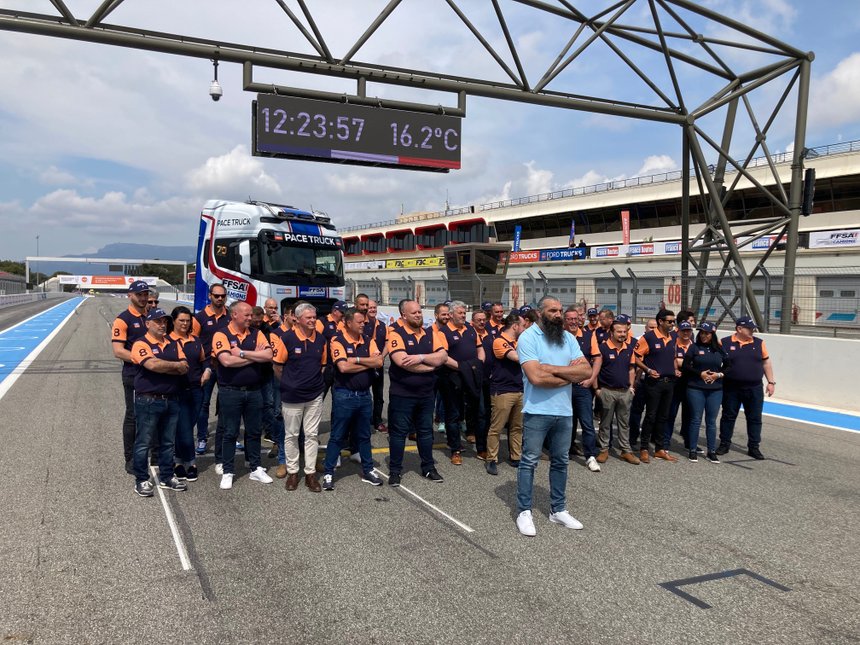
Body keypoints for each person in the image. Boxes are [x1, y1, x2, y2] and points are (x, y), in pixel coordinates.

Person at [515, 296, 592, 537]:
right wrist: (569, 376)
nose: (558, 315)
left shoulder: (568, 338)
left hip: (564, 411)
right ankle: (524, 511)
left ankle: (558, 509)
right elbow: (536, 378)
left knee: (561, 461)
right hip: (537, 410)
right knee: (529, 461)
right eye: (553, 311)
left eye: (560, 310)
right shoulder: (528, 338)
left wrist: (552, 369)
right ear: (540, 313)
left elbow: (586, 371)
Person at [211, 301, 274, 490]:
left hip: (254, 390)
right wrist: (254, 357)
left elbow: (268, 355)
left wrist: (242, 353)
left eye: (251, 315)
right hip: (230, 391)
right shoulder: (221, 334)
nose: (250, 318)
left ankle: (255, 467)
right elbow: (226, 361)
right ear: (234, 315)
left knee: (254, 431)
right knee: (230, 432)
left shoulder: (257, 333)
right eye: (246, 315)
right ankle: (228, 471)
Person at [386, 299, 449, 486]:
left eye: (419, 311)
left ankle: (428, 467)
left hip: (426, 394)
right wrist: (430, 367)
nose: (418, 315)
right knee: (398, 434)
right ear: (403, 315)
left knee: (426, 432)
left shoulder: (430, 334)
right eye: (413, 312)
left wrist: (420, 357)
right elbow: (402, 362)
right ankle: (395, 471)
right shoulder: (396, 334)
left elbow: (443, 356)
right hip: (402, 395)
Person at [321, 307, 384, 490]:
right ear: (348, 323)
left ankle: (368, 470)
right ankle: (328, 473)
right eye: (360, 322)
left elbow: (379, 361)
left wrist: (355, 359)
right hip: (344, 395)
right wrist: (367, 362)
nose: (363, 324)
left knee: (364, 435)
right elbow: (343, 367)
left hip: (364, 396)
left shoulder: (368, 340)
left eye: (364, 322)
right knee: (337, 436)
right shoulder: (337, 340)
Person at [130, 308, 189, 496]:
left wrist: (165, 366)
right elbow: (151, 365)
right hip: (148, 400)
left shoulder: (173, 342)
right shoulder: (141, 343)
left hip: (171, 399)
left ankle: (167, 476)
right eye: (158, 321)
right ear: (148, 324)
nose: (162, 325)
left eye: (164, 321)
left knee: (168, 442)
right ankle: (141, 479)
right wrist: (174, 366)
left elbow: (185, 367)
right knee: (144, 442)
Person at [272, 302, 327, 492]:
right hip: (292, 396)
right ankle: (293, 472)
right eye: (308, 318)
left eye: (314, 317)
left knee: (311, 435)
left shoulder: (321, 339)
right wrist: (291, 383)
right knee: (292, 435)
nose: (312, 320)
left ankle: (310, 474)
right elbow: (277, 367)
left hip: (314, 396)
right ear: (297, 319)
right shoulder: (287, 338)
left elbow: (322, 365)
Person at [716, 316, 775, 460]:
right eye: (749, 328)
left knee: (755, 418)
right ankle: (724, 444)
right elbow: (716, 362)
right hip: (731, 388)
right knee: (728, 416)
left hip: (754, 388)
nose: (752, 331)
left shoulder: (759, 343)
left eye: (753, 328)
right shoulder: (724, 342)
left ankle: (754, 447)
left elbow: (766, 363)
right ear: (739, 329)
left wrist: (771, 382)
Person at [111, 279, 150, 474]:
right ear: (130, 295)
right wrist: (144, 360)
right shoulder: (122, 319)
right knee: (133, 416)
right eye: (139, 294)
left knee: (152, 414)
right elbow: (118, 351)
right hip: (133, 375)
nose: (143, 298)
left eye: (145, 294)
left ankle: (153, 453)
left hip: (154, 375)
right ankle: (130, 458)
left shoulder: (152, 316)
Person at [439, 301, 485, 464]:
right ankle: (455, 449)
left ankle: (481, 448)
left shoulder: (470, 329)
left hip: (473, 376)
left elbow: (480, 348)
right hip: (453, 378)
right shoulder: (443, 332)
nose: (463, 315)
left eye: (464, 313)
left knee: (480, 413)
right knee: (454, 414)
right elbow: (444, 357)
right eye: (460, 313)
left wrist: (479, 363)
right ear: (451, 315)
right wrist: (463, 368)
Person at [169, 306, 210, 482]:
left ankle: (178, 460)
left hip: (196, 389)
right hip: (177, 390)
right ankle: (190, 463)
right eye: (181, 320)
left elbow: (204, 360)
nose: (185, 324)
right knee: (184, 427)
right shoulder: (167, 341)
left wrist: (207, 370)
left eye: (187, 321)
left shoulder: (196, 340)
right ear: (173, 321)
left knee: (187, 426)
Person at [634, 309, 680, 463]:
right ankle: (644, 448)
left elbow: (673, 357)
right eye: (670, 321)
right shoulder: (649, 337)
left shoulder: (673, 337)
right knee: (651, 416)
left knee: (663, 416)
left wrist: (675, 369)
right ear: (660, 321)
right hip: (654, 383)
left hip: (669, 383)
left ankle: (660, 449)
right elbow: (636, 357)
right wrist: (647, 370)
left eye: (673, 321)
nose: (672, 324)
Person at [591, 319, 640, 465]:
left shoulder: (629, 348)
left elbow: (631, 369)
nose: (622, 334)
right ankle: (604, 450)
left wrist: (631, 387)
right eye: (619, 331)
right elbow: (595, 370)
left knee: (624, 423)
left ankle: (626, 451)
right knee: (605, 422)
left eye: (624, 331)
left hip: (625, 392)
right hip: (607, 391)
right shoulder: (602, 348)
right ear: (611, 332)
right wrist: (597, 389)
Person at [683, 322, 731, 463]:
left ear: (712, 334)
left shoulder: (719, 349)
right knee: (696, 419)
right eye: (702, 333)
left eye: (707, 333)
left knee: (711, 421)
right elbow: (686, 366)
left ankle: (711, 451)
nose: (703, 335)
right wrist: (700, 374)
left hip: (715, 390)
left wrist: (718, 375)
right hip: (696, 388)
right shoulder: (694, 347)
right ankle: (692, 450)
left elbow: (729, 366)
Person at [192, 283, 229, 455]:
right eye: (216, 296)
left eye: (222, 296)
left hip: (226, 367)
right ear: (210, 296)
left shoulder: (231, 316)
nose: (220, 299)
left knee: (227, 402)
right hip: (206, 367)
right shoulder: (199, 317)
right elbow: (193, 342)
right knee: (203, 404)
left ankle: (229, 435)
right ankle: (201, 437)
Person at [487, 312, 524, 473]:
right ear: (515, 326)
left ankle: (516, 456)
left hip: (520, 389)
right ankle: (491, 459)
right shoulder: (499, 341)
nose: (524, 329)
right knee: (497, 427)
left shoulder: (519, 342)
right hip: (503, 390)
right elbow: (516, 357)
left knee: (517, 427)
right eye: (522, 326)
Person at [564, 306, 600, 472]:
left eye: (576, 318)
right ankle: (565, 451)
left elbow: (598, 359)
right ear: (565, 321)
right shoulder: (559, 337)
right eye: (570, 319)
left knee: (587, 422)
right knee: (565, 422)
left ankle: (590, 456)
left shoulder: (588, 336)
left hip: (582, 387)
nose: (573, 321)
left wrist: (591, 379)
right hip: (563, 387)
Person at [628, 318, 657, 450]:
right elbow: (634, 361)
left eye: (655, 327)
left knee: (652, 413)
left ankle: (649, 438)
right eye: (651, 327)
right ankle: (633, 439)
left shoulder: (661, 339)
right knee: (636, 411)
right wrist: (634, 381)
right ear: (645, 328)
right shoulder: (638, 340)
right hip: (641, 381)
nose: (653, 330)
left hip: (655, 382)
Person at [365, 299, 389, 433]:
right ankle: (364, 420)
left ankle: (378, 421)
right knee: (365, 395)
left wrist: (382, 357)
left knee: (378, 395)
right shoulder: (361, 324)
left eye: (374, 307)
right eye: (370, 307)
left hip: (378, 365)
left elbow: (387, 343)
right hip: (365, 365)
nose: (372, 310)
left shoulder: (382, 325)